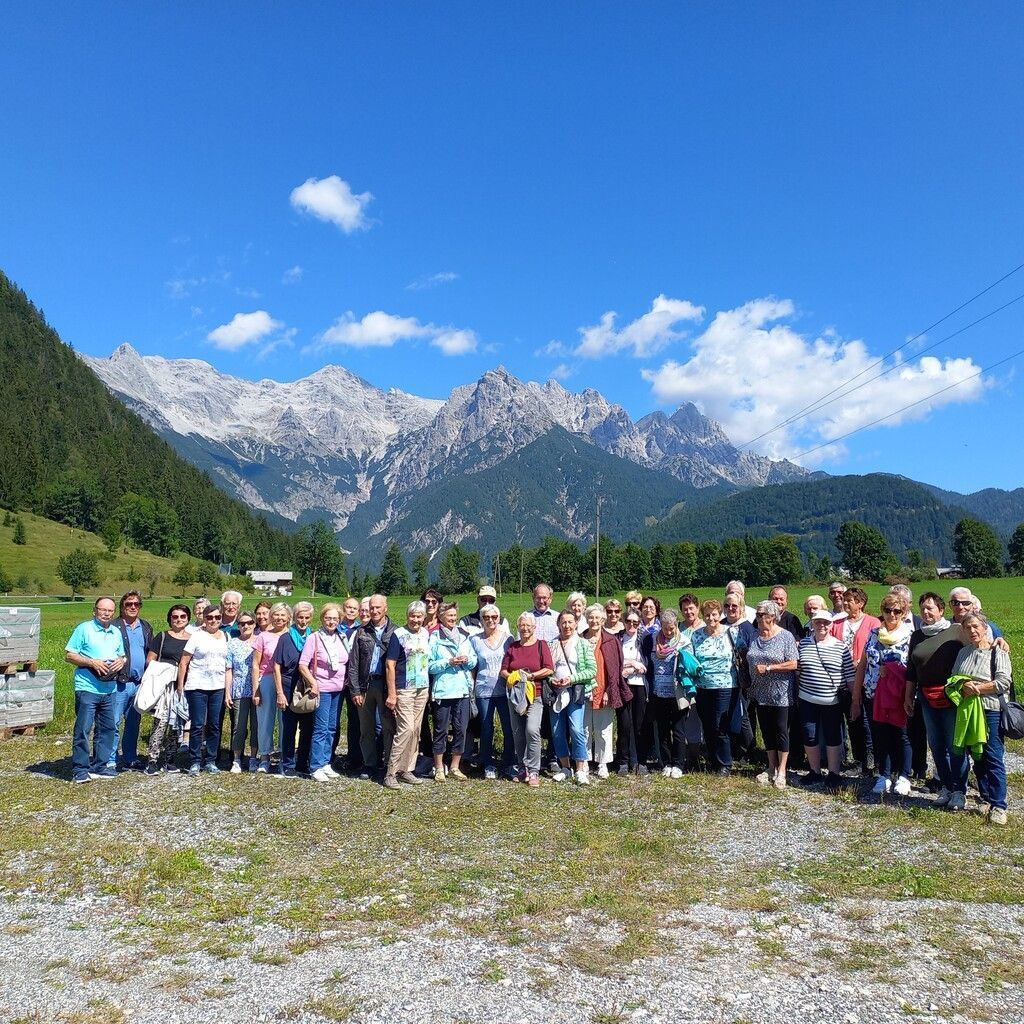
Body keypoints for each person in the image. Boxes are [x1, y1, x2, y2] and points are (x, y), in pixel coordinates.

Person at [905, 592, 969, 811]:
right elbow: (911, 670)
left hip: (951, 696)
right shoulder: (917, 636)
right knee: (936, 745)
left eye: (930, 608)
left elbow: (977, 646)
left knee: (955, 745)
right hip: (925, 696)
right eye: (923, 608)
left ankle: (960, 790)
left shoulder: (956, 631)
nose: (926, 612)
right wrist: (908, 697)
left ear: (941, 610)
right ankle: (946, 787)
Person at [948, 611, 1012, 825]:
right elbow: (953, 678)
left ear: (986, 628)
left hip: (990, 710)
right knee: (977, 755)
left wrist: (976, 688)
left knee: (993, 756)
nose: (972, 631)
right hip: (967, 712)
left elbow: (1003, 682)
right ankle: (985, 797)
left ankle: (999, 805)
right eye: (968, 628)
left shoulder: (998, 652)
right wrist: (962, 684)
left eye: (976, 626)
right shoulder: (963, 653)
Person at [851, 593, 913, 796]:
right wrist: (856, 694)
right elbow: (862, 664)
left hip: (898, 695)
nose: (892, 615)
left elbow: (913, 667)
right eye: (888, 610)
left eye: (897, 611)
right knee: (880, 735)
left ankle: (903, 776)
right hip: (873, 694)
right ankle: (884, 775)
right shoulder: (874, 633)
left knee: (902, 735)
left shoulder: (910, 635)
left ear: (904, 613)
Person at [66, 597, 126, 783]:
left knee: (107, 728)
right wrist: (92, 662)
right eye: (103, 610)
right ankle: (80, 769)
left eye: (110, 610)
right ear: (95, 611)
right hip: (87, 687)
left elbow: (122, 655)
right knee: (83, 728)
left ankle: (100, 766)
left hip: (109, 688)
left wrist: (121, 661)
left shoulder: (116, 632)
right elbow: (69, 655)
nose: (107, 613)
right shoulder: (84, 629)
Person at [745, 600, 799, 789]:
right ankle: (771, 766)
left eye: (761, 614)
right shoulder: (753, 635)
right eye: (757, 614)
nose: (757, 618)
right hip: (759, 691)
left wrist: (769, 668)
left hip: (781, 692)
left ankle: (782, 770)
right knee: (766, 729)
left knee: (781, 730)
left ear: (772, 616)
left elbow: (794, 663)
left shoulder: (785, 637)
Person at [797, 610, 854, 786]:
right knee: (809, 735)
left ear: (831, 625)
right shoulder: (804, 644)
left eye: (825, 622)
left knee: (833, 736)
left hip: (832, 701)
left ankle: (834, 773)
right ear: (812, 624)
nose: (821, 625)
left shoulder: (841, 647)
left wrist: (854, 701)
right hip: (806, 698)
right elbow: (798, 670)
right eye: (817, 622)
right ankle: (814, 771)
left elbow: (850, 675)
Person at [500, 611, 555, 787]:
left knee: (532, 730)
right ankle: (522, 767)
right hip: (515, 696)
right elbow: (503, 670)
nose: (525, 628)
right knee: (518, 733)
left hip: (535, 695)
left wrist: (530, 677)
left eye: (528, 626)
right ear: (518, 627)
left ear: (534, 628)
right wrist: (513, 676)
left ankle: (533, 771)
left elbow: (549, 669)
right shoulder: (513, 647)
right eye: (522, 625)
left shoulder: (541, 645)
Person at [383, 601, 432, 790]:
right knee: (406, 729)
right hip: (404, 688)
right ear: (407, 616)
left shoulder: (426, 634)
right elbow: (390, 665)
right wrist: (392, 693)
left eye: (419, 616)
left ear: (424, 617)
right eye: (412, 616)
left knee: (416, 730)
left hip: (422, 688)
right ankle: (391, 772)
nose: (416, 620)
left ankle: (407, 769)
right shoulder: (399, 635)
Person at [298, 603, 349, 782]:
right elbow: (303, 664)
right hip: (322, 689)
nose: (331, 621)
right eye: (328, 618)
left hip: (339, 689)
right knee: (320, 728)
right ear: (322, 619)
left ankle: (326, 761)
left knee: (332, 727)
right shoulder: (315, 638)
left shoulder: (342, 637)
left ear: (339, 620)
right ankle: (315, 765)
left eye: (335, 618)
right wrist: (313, 683)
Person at [347, 595, 396, 780]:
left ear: (385, 608)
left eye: (378, 608)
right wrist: (355, 690)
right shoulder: (361, 632)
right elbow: (354, 663)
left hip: (385, 685)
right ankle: (369, 764)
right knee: (366, 728)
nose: (374, 611)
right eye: (372, 608)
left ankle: (388, 763)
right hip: (365, 685)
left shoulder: (395, 632)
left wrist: (395, 691)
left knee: (387, 727)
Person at [692, 599, 742, 777]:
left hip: (726, 685)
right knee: (707, 724)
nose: (711, 618)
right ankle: (713, 760)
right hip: (703, 686)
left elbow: (742, 654)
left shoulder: (733, 633)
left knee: (721, 724)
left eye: (714, 614)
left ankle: (725, 764)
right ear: (703, 616)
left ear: (720, 615)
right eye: (707, 615)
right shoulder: (696, 636)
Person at [645, 609, 698, 778]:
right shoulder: (653, 640)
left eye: (672, 628)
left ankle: (678, 764)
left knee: (678, 730)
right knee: (662, 730)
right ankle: (667, 762)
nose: (668, 632)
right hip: (658, 692)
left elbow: (691, 666)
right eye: (665, 628)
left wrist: (681, 656)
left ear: (676, 625)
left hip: (677, 692)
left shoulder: (684, 641)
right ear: (661, 625)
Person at [832, 586, 880, 774]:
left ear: (860, 603)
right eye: (844, 600)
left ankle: (874, 761)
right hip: (843, 679)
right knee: (853, 720)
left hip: (866, 679)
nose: (844, 603)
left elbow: (877, 647)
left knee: (868, 721)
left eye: (849, 600)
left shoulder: (873, 622)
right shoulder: (838, 623)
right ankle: (859, 761)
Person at [428, 602, 478, 781]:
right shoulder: (434, 637)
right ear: (441, 617)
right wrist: (447, 662)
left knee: (461, 729)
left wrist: (467, 660)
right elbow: (430, 665)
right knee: (440, 729)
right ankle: (439, 767)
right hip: (443, 690)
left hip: (463, 689)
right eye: (449, 616)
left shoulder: (465, 636)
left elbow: (474, 660)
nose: (452, 619)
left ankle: (455, 766)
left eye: (454, 616)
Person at [177, 604, 229, 776]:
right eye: (210, 617)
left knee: (214, 725)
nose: (213, 620)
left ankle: (211, 760)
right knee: (198, 725)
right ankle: (194, 761)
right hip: (197, 686)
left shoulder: (225, 637)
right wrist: (180, 685)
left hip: (218, 686)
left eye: (217, 617)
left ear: (221, 619)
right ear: (204, 619)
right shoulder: (196, 636)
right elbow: (184, 661)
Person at [549, 610, 597, 785]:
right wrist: (551, 679)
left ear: (576, 624)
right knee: (557, 731)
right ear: (558, 624)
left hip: (575, 692)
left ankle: (580, 768)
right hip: (556, 693)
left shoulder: (583, 644)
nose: (567, 625)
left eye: (570, 622)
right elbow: (547, 668)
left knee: (576, 729)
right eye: (563, 622)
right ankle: (565, 768)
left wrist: (571, 679)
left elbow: (592, 670)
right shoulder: (551, 644)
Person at [144, 604, 191, 774]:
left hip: (184, 686)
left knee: (177, 723)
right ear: (170, 619)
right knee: (161, 722)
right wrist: (168, 668)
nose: (178, 620)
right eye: (175, 617)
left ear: (188, 618)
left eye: (182, 616)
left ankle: (170, 759)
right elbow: (150, 660)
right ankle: (152, 760)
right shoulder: (162, 637)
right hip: (165, 686)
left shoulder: (192, 639)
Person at [109, 590, 153, 771]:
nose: (133, 607)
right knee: (113, 722)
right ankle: (110, 759)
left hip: (139, 683)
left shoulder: (145, 627)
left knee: (133, 723)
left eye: (136, 604)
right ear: (122, 606)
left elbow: (150, 652)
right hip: (119, 682)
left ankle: (130, 757)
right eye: (129, 604)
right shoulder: (113, 626)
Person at [470, 604, 514, 780]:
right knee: (487, 728)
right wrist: (471, 688)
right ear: (481, 620)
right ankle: (487, 763)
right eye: (486, 617)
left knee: (508, 728)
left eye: (494, 617)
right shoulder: (475, 640)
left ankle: (509, 762)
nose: (490, 620)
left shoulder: (508, 639)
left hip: (504, 690)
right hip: (483, 691)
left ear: (499, 618)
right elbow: (473, 667)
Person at [273, 601, 315, 778]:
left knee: (308, 728)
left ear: (311, 619)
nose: (303, 621)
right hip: (289, 685)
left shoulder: (314, 637)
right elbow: (276, 666)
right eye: (300, 617)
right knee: (289, 729)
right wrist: (280, 693)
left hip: (308, 688)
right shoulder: (285, 638)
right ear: (294, 618)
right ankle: (288, 763)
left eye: (306, 618)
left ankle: (302, 762)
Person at [578, 604, 619, 778]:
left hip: (603, 689)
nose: (594, 621)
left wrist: (608, 691)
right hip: (583, 691)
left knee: (604, 729)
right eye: (591, 617)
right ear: (586, 619)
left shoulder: (611, 640)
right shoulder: (579, 639)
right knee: (584, 728)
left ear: (603, 620)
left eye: (597, 618)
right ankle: (585, 761)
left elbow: (615, 668)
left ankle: (603, 763)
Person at [249, 602, 290, 774]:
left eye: (282, 615)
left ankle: (282, 756)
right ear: (271, 616)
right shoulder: (263, 636)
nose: (279, 618)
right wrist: (255, 689)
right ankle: (264, 756)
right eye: (276, 614)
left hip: (287, 680)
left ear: (288, 617)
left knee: (285, 720)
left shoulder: (292, 635)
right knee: (265, 719)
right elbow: (256, 665)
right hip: (266, 679)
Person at [618, 609, 650, 775]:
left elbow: (646, 666)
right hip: (623, 685)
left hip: (640, 686)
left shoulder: (645, 639)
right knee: (624, 724)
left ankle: (640, 761)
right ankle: (623, 761)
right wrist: (632, 663)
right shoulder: (618, 638)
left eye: (635, 622)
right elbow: (615, 662)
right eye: (629, 621)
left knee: (639, 725)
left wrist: (631, 669)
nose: (632, 625)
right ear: (624, 622)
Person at [225, 612, 258, 773]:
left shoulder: (259, 641)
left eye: (249, 622)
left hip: (257, 688)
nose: (246, 626)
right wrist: (227, 692)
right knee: (239, 725)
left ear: (254, 624)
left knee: (256, 724)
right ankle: (237, 758)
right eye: (242, 623)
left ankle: (253, 757)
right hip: (238, 687)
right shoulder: (232, 643)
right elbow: (229, 669)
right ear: (238, 625)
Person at [337, 597, 364, 775]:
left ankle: (355, 756)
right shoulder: (335, 627)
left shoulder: (361, 629)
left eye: (355, 608)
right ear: (343, 608)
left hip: (354, 682)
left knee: (356, 721)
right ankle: (330, 755)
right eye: (348, 607)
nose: (351, 611)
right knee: (333, 720)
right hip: (336, 681)